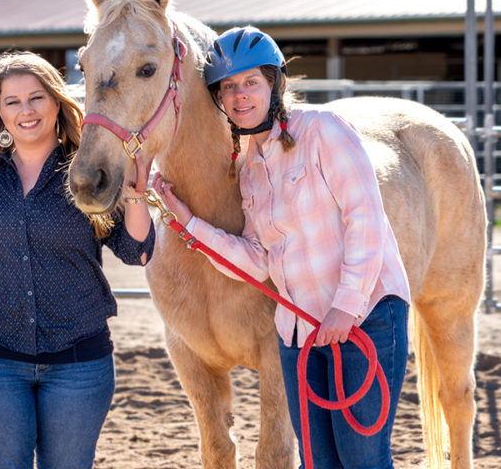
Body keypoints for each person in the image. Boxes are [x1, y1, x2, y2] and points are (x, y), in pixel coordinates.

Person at [153, 26, 411, 469]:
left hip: (365, 318)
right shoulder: (250, 169)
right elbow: (257, 258)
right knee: (318, 461)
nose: (240, 97)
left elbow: (365, 218)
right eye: (228, 88)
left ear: (274, 84)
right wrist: (188, 221)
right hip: (300, 333)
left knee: (362, 457)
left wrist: (345, 308)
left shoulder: (324, 131)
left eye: (251, 82)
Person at [0, 51, 155, 469]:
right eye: (12, 101)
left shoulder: (88, 172)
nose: (26, 110)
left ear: (56, 102)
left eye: (36, 98)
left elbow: (135, 251)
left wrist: (136, 193)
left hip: (78, 363)